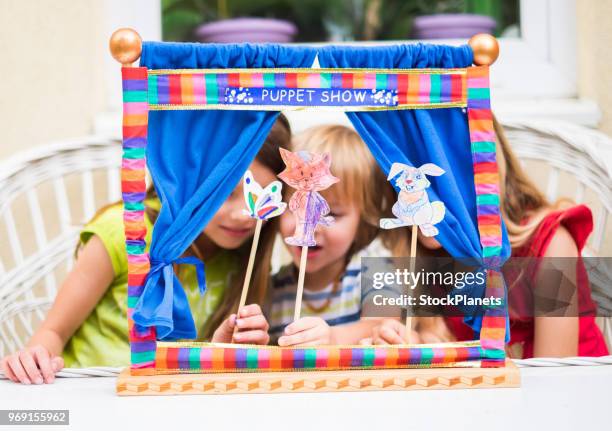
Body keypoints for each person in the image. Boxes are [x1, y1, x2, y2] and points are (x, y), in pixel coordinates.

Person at [1, 115, 292, 384]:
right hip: (89, 394)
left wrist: (226, 351)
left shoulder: (246, 255)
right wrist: (34, 359)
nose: (243, 214)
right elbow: (52, 332)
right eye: (224, 193)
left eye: (261, 198)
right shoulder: (125, 232)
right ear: (188, 177)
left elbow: (194, 372)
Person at [367, 116, 609, 358]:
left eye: (441, 183)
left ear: (482, 180)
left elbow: (555, 375)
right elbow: (449, 354)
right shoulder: (427, 258)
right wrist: (412, 344)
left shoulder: (551, 245)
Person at [267, 125, 403, 347]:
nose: (309, 225)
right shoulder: (272, 289)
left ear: (361, 223)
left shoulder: (375, 267)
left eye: (333, 214)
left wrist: (333, 339)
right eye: (297, 207)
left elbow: (384, 323)